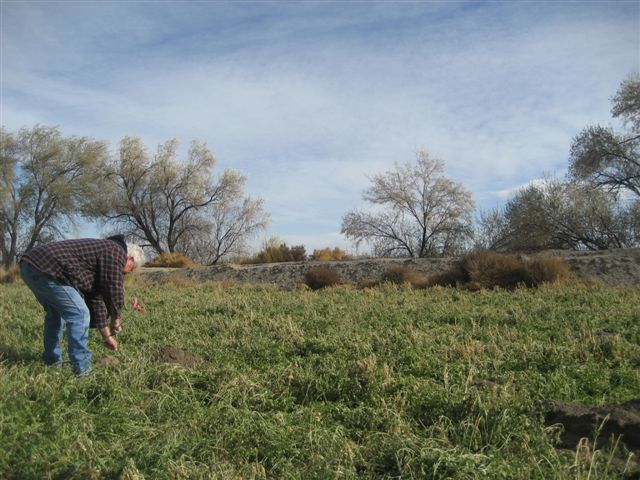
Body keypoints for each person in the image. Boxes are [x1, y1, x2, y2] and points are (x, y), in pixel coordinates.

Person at [19, 235, 145, 375]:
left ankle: (52, 364)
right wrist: (116, 319)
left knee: (55, 314)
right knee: (80, 313)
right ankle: (82, 370)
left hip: (30, 265)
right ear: (130, 259)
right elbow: (114, 289)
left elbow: (95, 299)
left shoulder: (103, 254)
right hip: (47, 268)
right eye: (132, 268)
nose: (128, 272)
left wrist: (107, 337)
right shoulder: (116, 251)